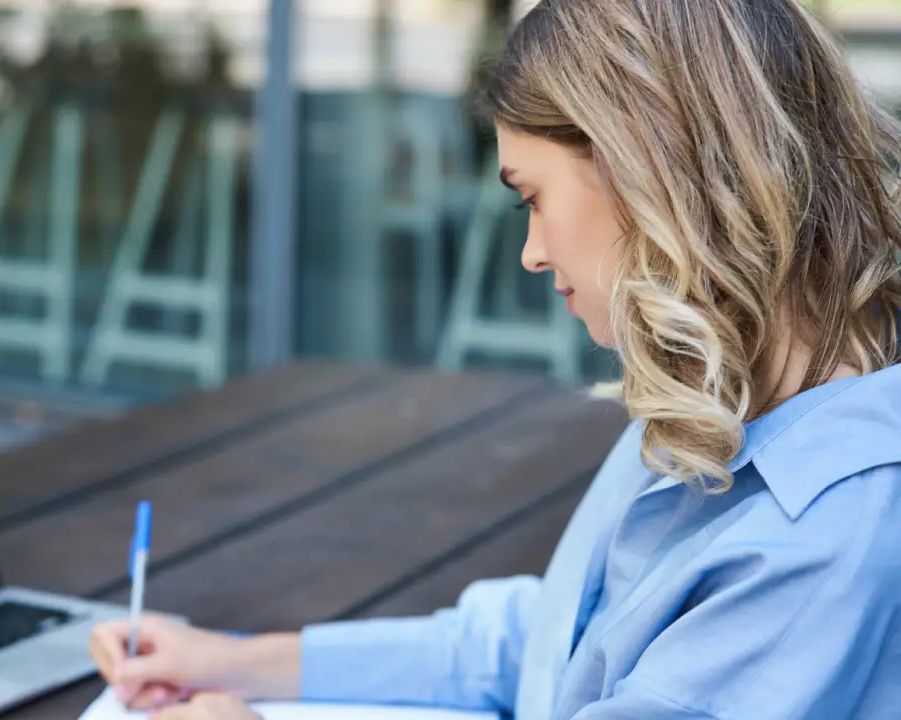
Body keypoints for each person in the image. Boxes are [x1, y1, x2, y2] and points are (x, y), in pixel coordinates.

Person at [89, 0, 901, 717]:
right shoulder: (718, 399)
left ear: (652, 173)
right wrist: (234, 661)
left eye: (533, 198)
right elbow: (557, 643)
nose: (532, 253)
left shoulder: (824, 539)